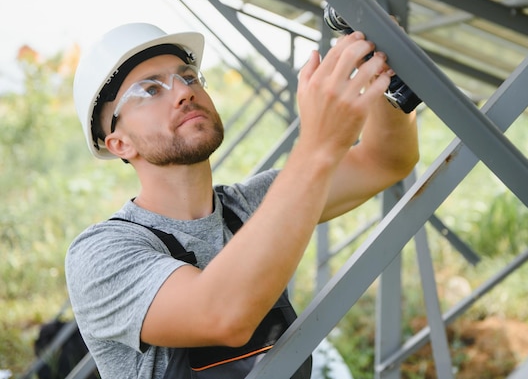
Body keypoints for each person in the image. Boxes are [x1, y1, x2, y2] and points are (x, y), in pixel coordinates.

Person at [65, 22, 419, 379]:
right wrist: (317, 145)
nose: (183, 93)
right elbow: (221, 316)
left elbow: (385, 160)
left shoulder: (251, 206)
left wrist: (381, 67)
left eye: (188, 77)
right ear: (120, 143)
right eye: (151, 89)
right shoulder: (101, 254)